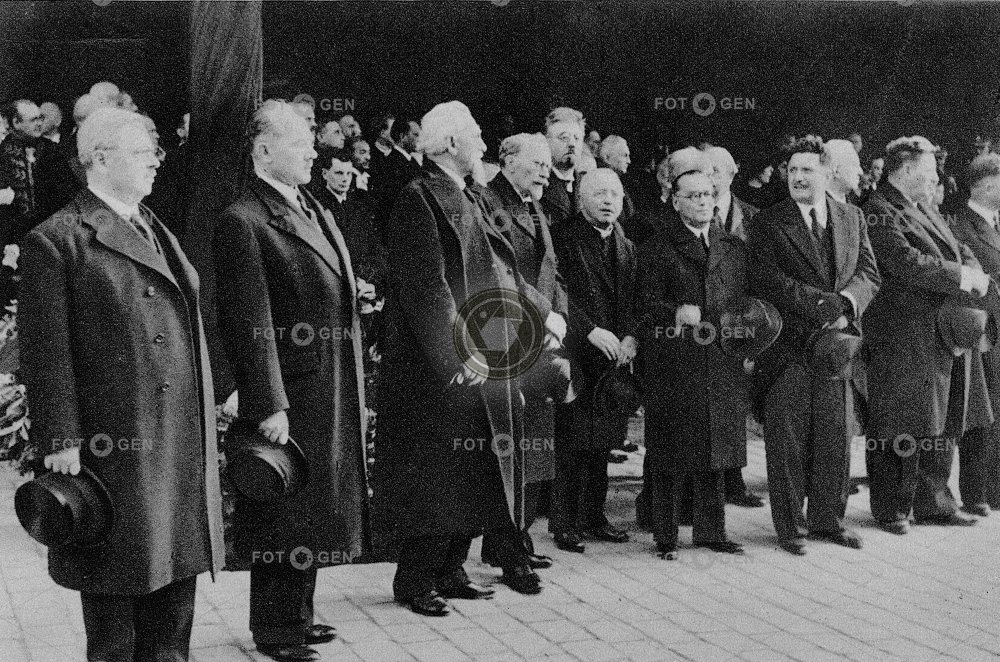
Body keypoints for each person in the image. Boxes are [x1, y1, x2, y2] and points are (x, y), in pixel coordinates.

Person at [19, 106, 225, 662]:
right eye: (142, 152)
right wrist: (60, 438)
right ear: (100, 160)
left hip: (175, 434)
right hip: (115, 440)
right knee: (116, 575)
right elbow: (46, 350)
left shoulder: (153, 226)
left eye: (154, 150)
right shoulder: (58, 239)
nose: (156, 161)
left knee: (173, 569)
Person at [214, 100, 370, 661]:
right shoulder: (244, 219)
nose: (313, 152)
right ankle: (275, 628)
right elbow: (248, 318)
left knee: (314, 503)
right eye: (300, 142)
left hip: (325, 380)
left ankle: (298, 614)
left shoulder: (310, 205)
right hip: (290, 390)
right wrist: (267, 402)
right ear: (263, 150)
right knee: (283, 503)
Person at [377, 101, 530, 617]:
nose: (484, 145)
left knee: (474, 466)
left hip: (485, 349)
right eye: (476, 136)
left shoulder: (470, 195)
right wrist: (458, 351)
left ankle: (451, 569)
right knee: (438, 471)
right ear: (448, 144)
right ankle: (416, 579)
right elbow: (428, 287)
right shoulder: (418, 199)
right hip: (440, 365)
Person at [748, 136, 879, 555]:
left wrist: (847, 304)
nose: (798, 177)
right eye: (792, 170)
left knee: (835, 436)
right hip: (788, 350)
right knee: (788, 441)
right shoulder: (769, 222)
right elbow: (766, 279)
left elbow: (869, 274)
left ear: (826, 172)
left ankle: (829, 521)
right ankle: (791, 528)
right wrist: (820, 304)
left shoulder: (852, 217)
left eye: (807, 169)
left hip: (837, 346)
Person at [864, 136, 989, 534]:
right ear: (905, 171)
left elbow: (957, 248)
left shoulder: (924, 208)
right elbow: (905, 262)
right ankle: (892, 508)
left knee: (943, 416)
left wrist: (972, 269)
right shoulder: (879, 210)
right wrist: (962, 276)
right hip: (901, 333)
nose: (936, 178)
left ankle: (934, 503)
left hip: (940, 331)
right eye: (929, 170)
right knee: (899, 419)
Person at [638, 167, 750, 560]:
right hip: (675, 362)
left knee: (716, 448)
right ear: (675, 201)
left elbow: (743, 301)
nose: (702, 202)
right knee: (671, 450)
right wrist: (674, 313)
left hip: (721, 359)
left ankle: (711, 532)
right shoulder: (657, 247)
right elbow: (644, 304)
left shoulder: (731, 247)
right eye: (693, 195)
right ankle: (665, 536)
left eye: (707, 195)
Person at [478, 133, 569, 585]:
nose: (545, 173)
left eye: (548, 165)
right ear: (508, 160)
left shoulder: (533, 204)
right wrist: (546, 313)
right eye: (537, 164)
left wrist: (560, 316)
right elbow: (503, 272)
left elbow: (552, 269)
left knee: (532, 445)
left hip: (538, 334)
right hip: (507, 333)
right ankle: (509, 552)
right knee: (511, 445)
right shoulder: (489, 201)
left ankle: (516, 541)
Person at [549, 168, 637, 553]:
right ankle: (565, 522)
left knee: (603, 440)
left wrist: (631, 337)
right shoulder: (561, 237)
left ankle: (594, 516)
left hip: (612, 358)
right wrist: (588, 331)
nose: (608, 201)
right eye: (599, 194)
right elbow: (555, 292)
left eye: (614, 194)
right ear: (581, 199)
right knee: (572, 441)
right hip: (574, 351)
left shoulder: (625, 244)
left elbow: (635, 298)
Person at [950, 152, 1000, 516]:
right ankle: (978, 491)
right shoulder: (960, 226)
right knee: (982, 412)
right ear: (984, 187)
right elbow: (968, 278)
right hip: (984, 329)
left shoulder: (994, 222)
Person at [540, 107, 585, 228]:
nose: (572, 144)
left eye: (577, 138)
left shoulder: (588, 185)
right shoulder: (537, 183)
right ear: (546, 142)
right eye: (564, 138)